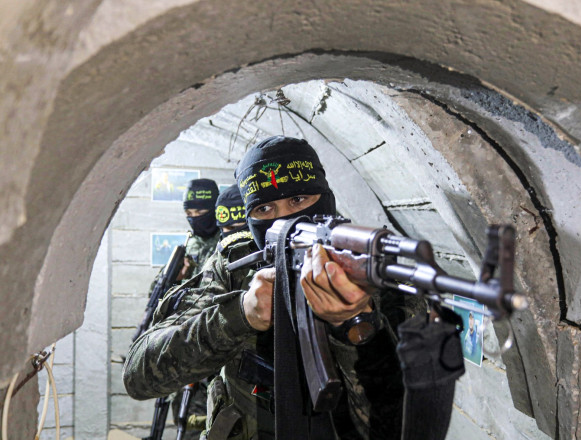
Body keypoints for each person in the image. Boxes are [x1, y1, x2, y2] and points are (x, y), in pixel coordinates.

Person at [124, 136, 425, 440]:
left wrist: (355, 324)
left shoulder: (368, 272)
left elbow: (400, 421)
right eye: (264, 208)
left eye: (299, 200)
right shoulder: (234, 265)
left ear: (325, 198)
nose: (284, 219)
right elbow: (139, 376)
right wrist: (239, 316)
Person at [144, 178, 222, 439]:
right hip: (186, 347)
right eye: (189, 212)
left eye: (200, 211)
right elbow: (158, 292)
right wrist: (175, 278)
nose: (194, 218)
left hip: (218, 349)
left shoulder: (227, 242)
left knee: (219, 418)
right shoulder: (189, 245)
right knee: (185, 417)